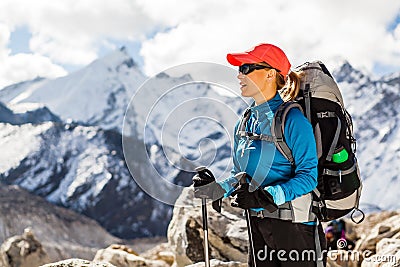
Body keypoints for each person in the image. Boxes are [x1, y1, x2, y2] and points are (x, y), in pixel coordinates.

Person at [193, 43, 327, 267]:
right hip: (256, 226)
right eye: (239, 69)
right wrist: (218, 188)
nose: (239, 75)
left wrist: (268, 196)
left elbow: (308, 177)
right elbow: (240, 174)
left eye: (246, 68)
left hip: (295, 228)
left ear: (270, 74)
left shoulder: (292, 121)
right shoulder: (244, 122)